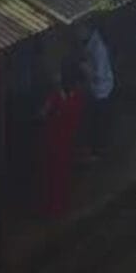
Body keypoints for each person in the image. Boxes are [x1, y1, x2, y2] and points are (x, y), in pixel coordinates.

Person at [35, 61, 85, 218]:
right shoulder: (77, 98)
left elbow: (42, 114)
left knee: (49, 177)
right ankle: (60, 206)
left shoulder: (56, 98)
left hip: (52, 142)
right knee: (62, 177)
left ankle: (49, 209)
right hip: (67, 142)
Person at [76, 22, 115, 158]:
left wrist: (86, 69)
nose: (77, 32)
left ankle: (99, 150)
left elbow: (100, 76)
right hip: (94, 90)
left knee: (98, 123)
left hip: (102, 91)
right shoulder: (88, 42)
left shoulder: (99, 48)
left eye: (79, 29)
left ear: (87, 29)